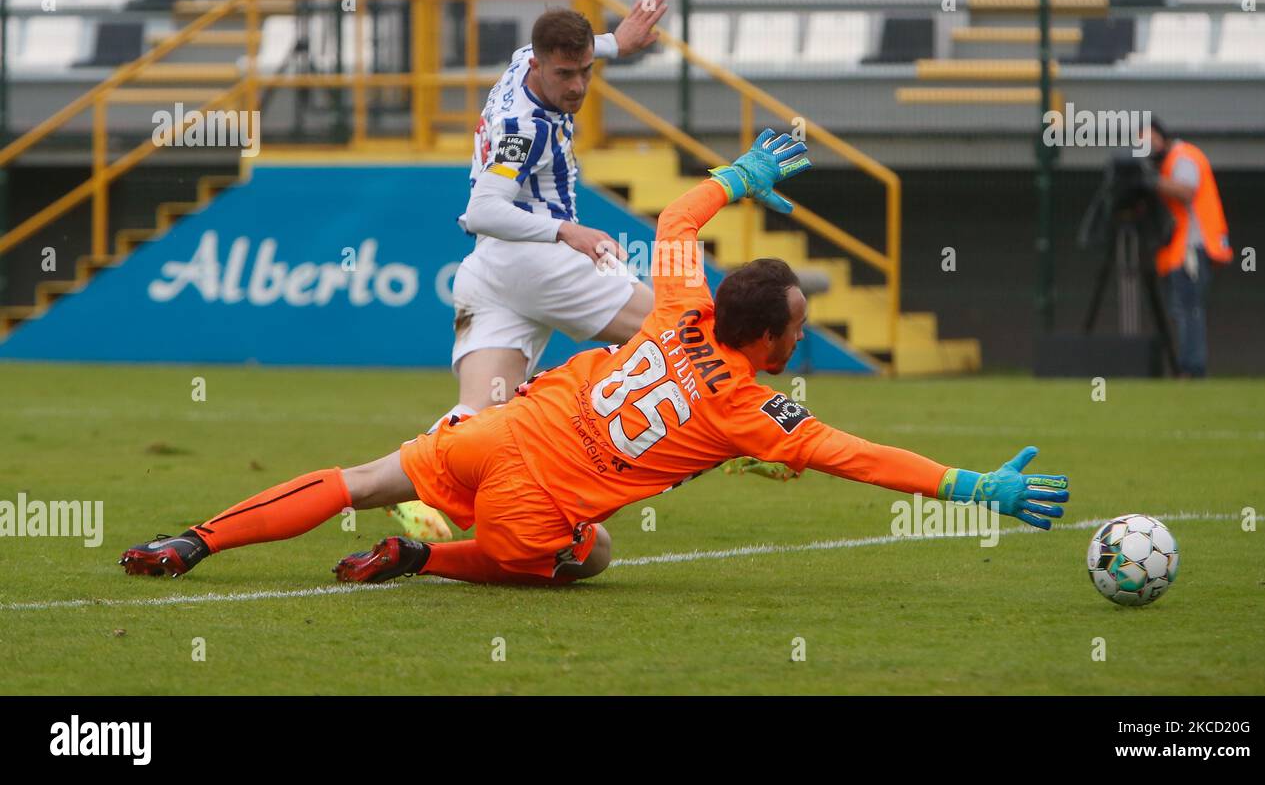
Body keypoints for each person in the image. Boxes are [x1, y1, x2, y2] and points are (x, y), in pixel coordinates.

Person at [119, 130, 1069, 585]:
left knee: (361, 474)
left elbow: (677, 216)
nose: (802, 333)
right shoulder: (751, 411)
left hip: (495, 433)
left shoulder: (681, 302)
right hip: (536, 499)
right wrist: (971, 487)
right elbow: (858, 458)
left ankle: (193, 539)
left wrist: (741, 176)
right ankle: (423, 557)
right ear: (768, 339)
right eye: (796, 323)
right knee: (590, 558)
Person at [387, 0, 668, 540]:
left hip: (491, 273)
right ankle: (729, 438)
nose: (578, 86)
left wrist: (618, 43)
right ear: (539, 65)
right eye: (566, 74)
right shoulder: (527, 128)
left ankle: (406, 489)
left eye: (585, 70)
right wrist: (567, 230)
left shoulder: (524, 57)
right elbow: (482, 211)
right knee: (679, 335)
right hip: (546, 259)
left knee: (481, 411)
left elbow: (575, 51)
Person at [1144, 118, 1232, 378]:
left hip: (1193, 246)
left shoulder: (1183, 156)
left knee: (1189, 308)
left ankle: (1192, 369)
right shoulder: (1164, 164)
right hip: (1180, 249)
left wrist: (1150, 180)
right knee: (1182, 308)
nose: (1146, 146)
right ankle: (1188, 367)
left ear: (1163, 136)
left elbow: (1186, 192)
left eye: (1149, 139)